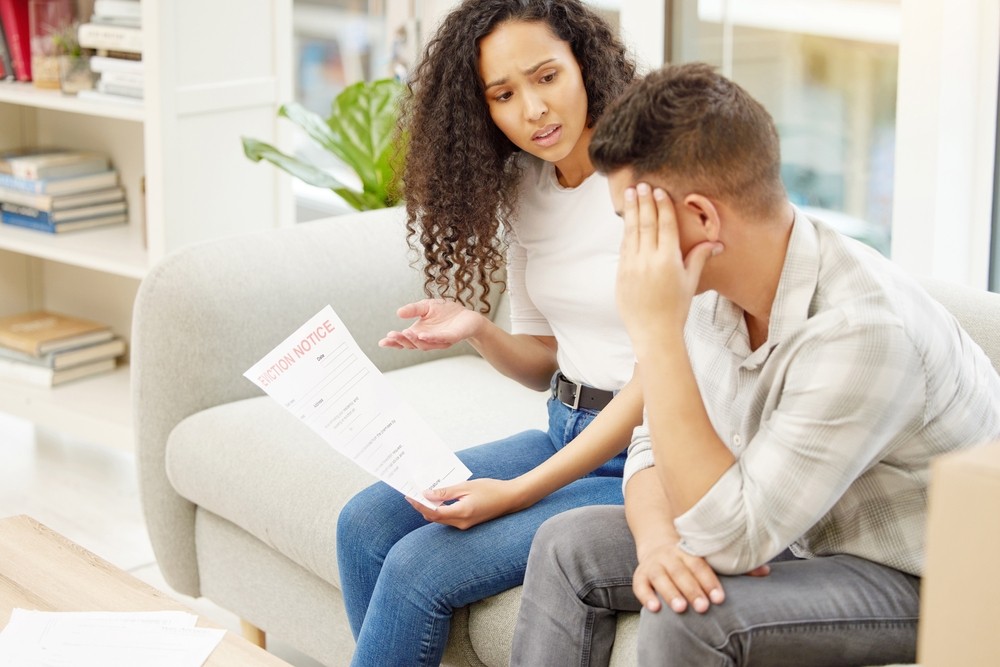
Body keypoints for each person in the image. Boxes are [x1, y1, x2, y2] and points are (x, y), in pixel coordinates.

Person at [511, 62, 1000, 667]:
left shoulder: (864, 331)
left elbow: (732, 538)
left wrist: (654, 330)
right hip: (790, 520)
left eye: (634, 222)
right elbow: (650, 448)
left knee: (690, 620)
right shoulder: (700, 281)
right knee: (566, 543)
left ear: (702, 219)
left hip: (918, 573)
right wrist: (660, 542)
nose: (628, 249)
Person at [335, 2, 643, 665]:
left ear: (585, 65)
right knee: (364, 524)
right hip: (565, 428)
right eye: (503, 94)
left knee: (421, 568)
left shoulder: (645, 183)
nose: (533, 109)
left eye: (546, 77)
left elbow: (666, 377)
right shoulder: (525, 187)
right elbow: (546, 361)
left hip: (649, 458)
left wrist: (518, 491)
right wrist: (477, 328)